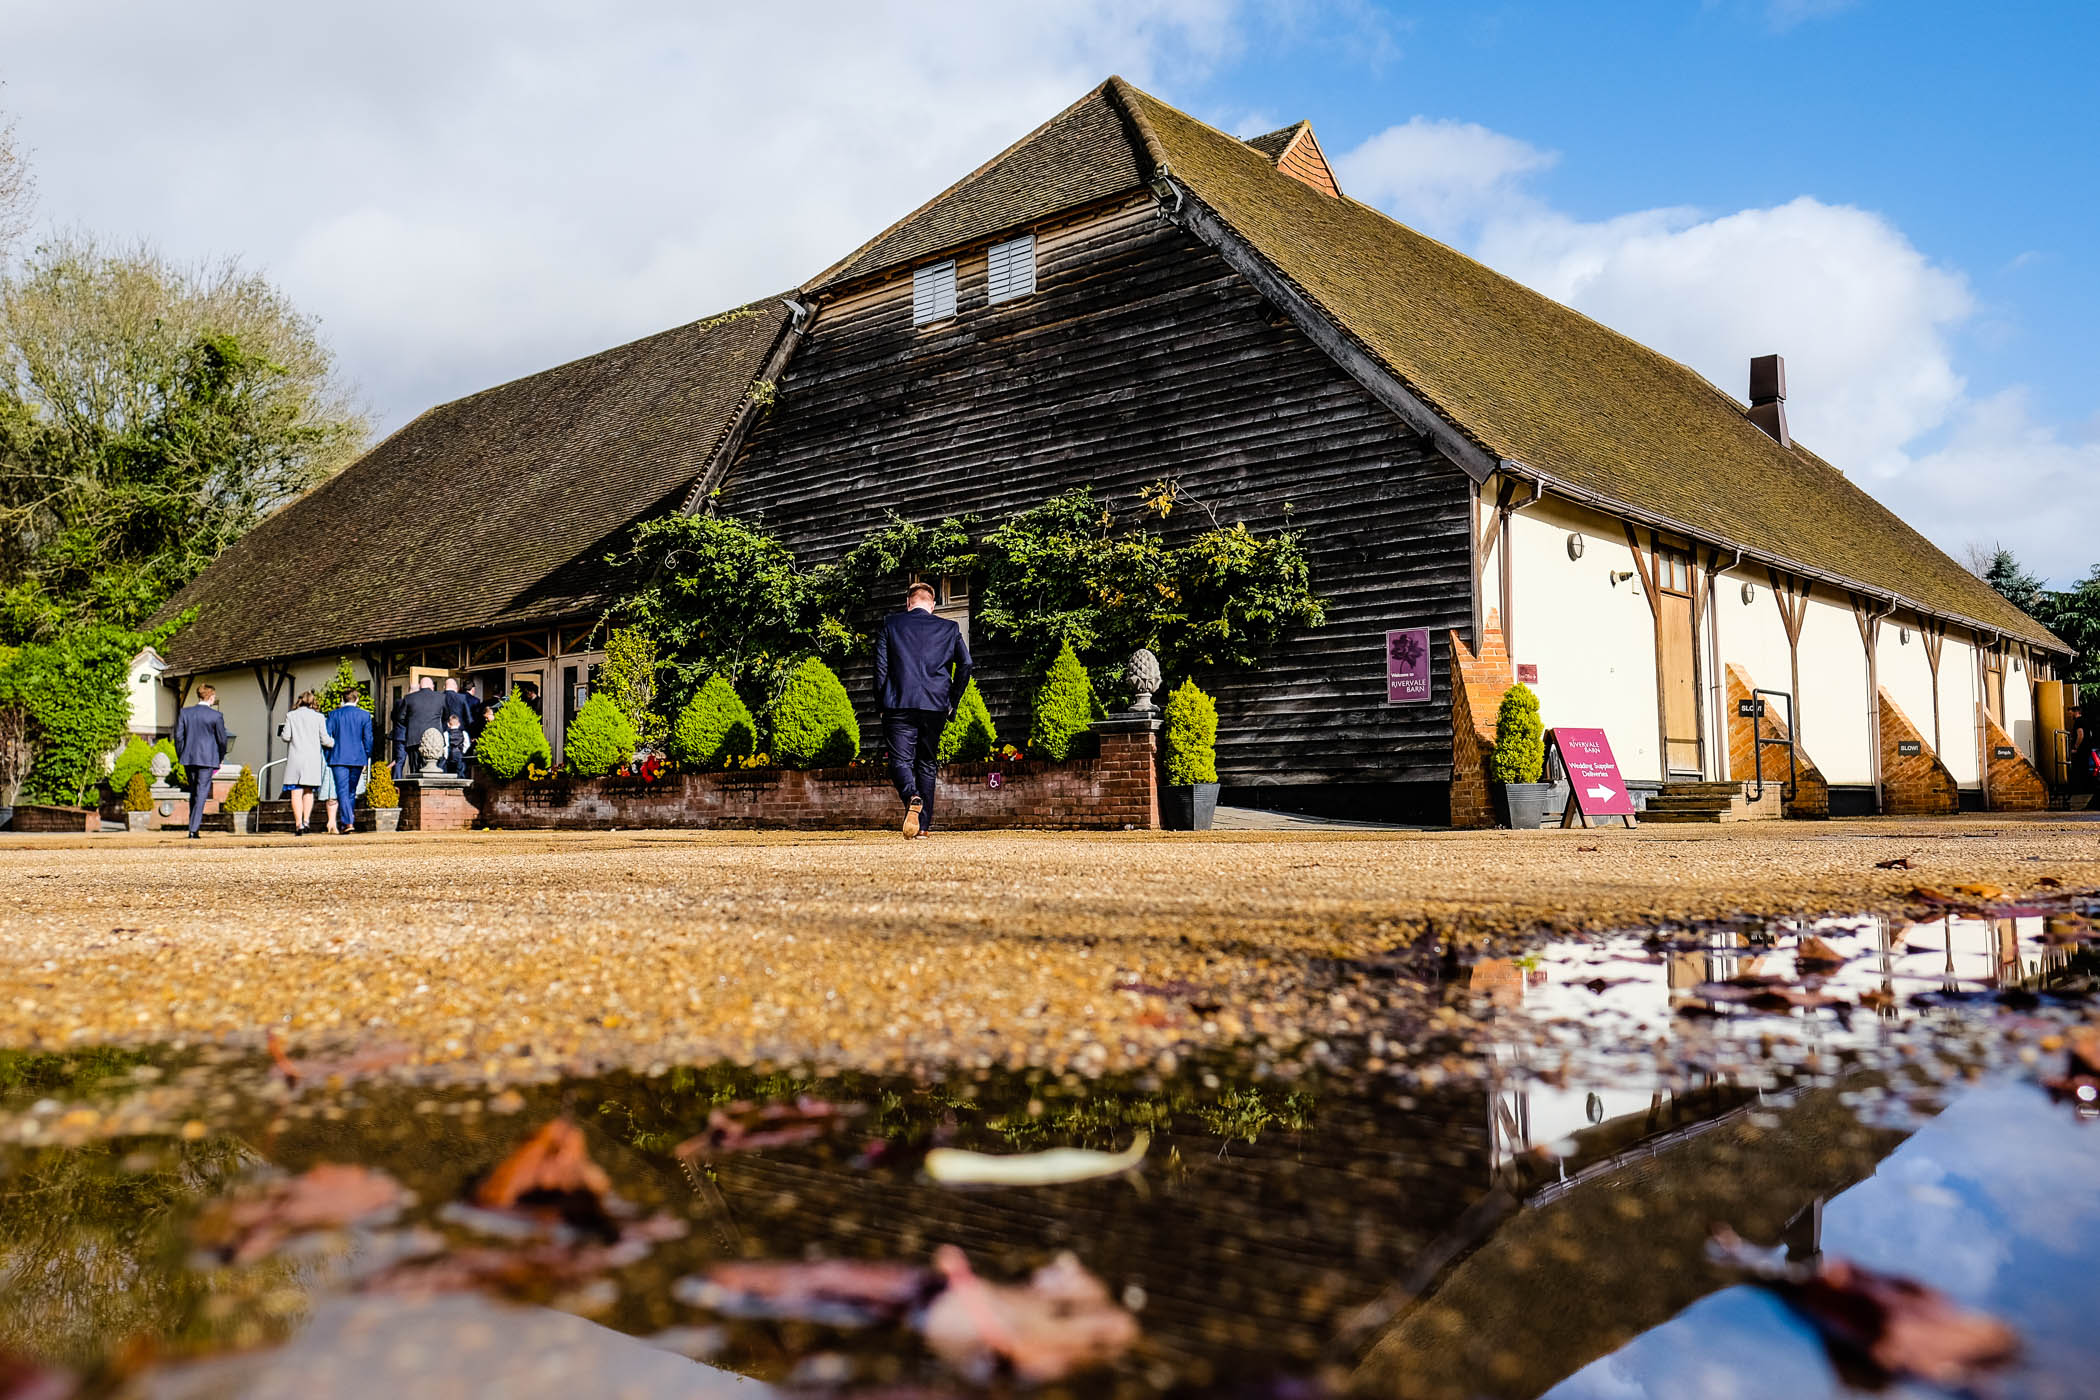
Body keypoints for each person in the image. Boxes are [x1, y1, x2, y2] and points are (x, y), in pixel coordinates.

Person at [873, 581, 972, 838]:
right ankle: (923, 827)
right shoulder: (949, 628)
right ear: (933, 604)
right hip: (935, 705)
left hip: (899, 703)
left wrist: (881, 703)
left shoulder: (891, 624)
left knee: (899, 760)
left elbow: (881, 669)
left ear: (908, 603)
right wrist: (953, 701)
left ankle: (911, 796)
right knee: (927, 763)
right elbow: (966, 664)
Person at [172, 683, 230, 840]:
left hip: (188, 757)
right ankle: (193, 828)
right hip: (207, 758)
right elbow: (222, 740)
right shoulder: (216, 716)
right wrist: (221, 756)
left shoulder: (185, 713)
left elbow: (178, 737)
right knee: (201, 792)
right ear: (211, 697)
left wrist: (181, 754)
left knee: (194, 792)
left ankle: (193, 826)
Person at [276, 690, 333, 835]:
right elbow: (325, 740)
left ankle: (298, 824)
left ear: (299, 700)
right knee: (309, 791)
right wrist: (335, 743)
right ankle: (306, 821)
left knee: (296, 792)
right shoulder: (319, 717)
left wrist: (282, 732)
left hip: (296, 758)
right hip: (312, 759)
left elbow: (286, 737)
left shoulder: (291, 715)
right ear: (313, 701)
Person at [324, 686, 376, 834]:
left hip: (338, 757)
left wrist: (328, 756)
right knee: (351, 791)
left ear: (342, 699)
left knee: (343, 790)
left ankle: (347, 822)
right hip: (357, 757)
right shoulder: (364, 715)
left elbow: (326, 738)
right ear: (357, 699)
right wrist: (367, 756)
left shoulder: (333, 715)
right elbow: (368, 739)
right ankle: (348, 821)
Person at [399, 675, 447, 775]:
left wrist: (411, 724)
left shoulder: (409, 698)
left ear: (420, 686)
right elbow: (446, 715)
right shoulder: (441, 697)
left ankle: (415, 790)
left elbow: (400, 717)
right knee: (435, 771)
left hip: (414, 739)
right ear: (432, 686)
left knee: (415, 771)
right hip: (435, 739)